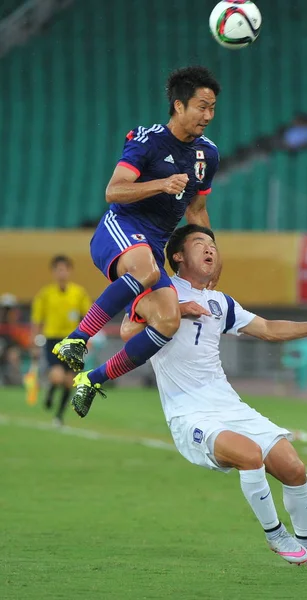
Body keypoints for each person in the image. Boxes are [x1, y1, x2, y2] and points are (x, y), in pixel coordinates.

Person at [86, 225, 307, 566]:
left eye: (212, 245)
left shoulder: (221, 302)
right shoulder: (162, 291)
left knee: (294, 468)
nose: (210, 250)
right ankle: (275, 535)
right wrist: (175, 312)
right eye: (199, 244)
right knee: (249, 455)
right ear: (178, 255)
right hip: (189, 412)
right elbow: (128, 329)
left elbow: (266, 329)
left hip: (228, 405)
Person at [52, 66, 221, 415]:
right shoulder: (148, 140)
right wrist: (160, 183)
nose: (208, 115)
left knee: (169, 321)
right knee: (145, 268)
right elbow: (113, 191)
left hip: (149, 248)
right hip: (119, 229)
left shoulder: (207, 154)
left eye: (213, 108)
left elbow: (198, 210)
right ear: (178, 106)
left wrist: (211, 253)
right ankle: (77, 339)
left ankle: (92, 379)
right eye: (202, 106)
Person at [31, 256, 92, 425]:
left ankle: (58, 416)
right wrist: (34, 342)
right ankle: (50, 391)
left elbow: (88, 317)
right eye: (58, 269)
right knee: (57, 377)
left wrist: (89, 338)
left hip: (73, 340)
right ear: (53, 272)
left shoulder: (79, 293)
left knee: (68, 382)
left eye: (65, 269)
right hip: (53, 339)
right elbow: (37, 320)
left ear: (70, 271)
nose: (62, 273)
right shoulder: (45, 294)